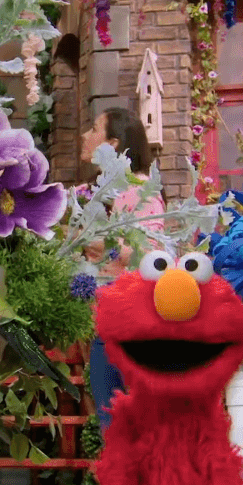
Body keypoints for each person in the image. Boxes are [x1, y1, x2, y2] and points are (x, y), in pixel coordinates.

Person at [80, 107, 164, 431]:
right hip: (104, 326)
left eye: (94, 128)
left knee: (132, 427)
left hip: (135, 332)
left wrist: (107, 247)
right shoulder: (95, 191)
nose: (85, 135)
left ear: (113, 144)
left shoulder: (141, 190)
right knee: (111, 427)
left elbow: (155, 256)